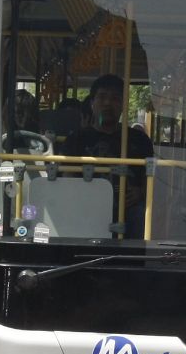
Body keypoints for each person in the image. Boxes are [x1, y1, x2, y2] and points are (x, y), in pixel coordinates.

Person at [60, 75, 154, 239]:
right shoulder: (76, 139)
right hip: (86, 206)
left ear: (123, 105)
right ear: (92, 103)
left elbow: (151, 177)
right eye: (102, 97)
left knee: (141, 213)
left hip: (128, 209)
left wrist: (141, 193)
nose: (108, 103)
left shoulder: (139, 140)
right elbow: (66, 178)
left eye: (115, 98)